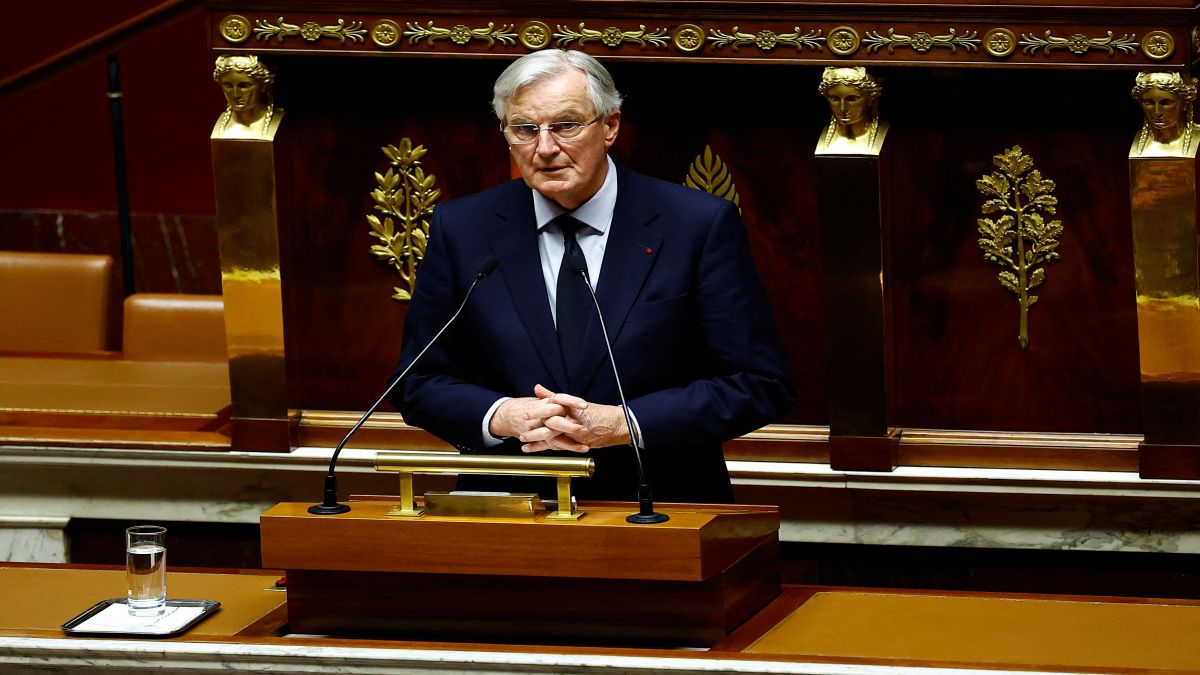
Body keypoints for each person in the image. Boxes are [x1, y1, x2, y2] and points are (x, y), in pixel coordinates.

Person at [390, 49, 794, 503]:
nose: (544, 148)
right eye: (525, 129)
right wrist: (501, 415)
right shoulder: (463, 229)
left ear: (610, 127)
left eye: (565, 125)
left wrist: (625, 424)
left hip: (661, 505)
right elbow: (417, 382)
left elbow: (758, 383)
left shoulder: (695, 226)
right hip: (510, 509)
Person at [816, 66, 887, 154]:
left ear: (871, 99)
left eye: (852, 99)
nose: (843, 108)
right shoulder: (814, 137)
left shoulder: (891, 139)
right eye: (835, 99)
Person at [1131, 71, 1198, 157]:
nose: (1157, 112)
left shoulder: (1197, 137)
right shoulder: (1137, 141)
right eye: (1149, 103)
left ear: (1184, 103)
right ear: (1140, 103)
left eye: (1166, 103)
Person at [212, 55, 280, 139]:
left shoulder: (278, 120)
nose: (236, 94)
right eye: (228, 85)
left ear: (263, 86)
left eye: (243, 86)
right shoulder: (221, 127)